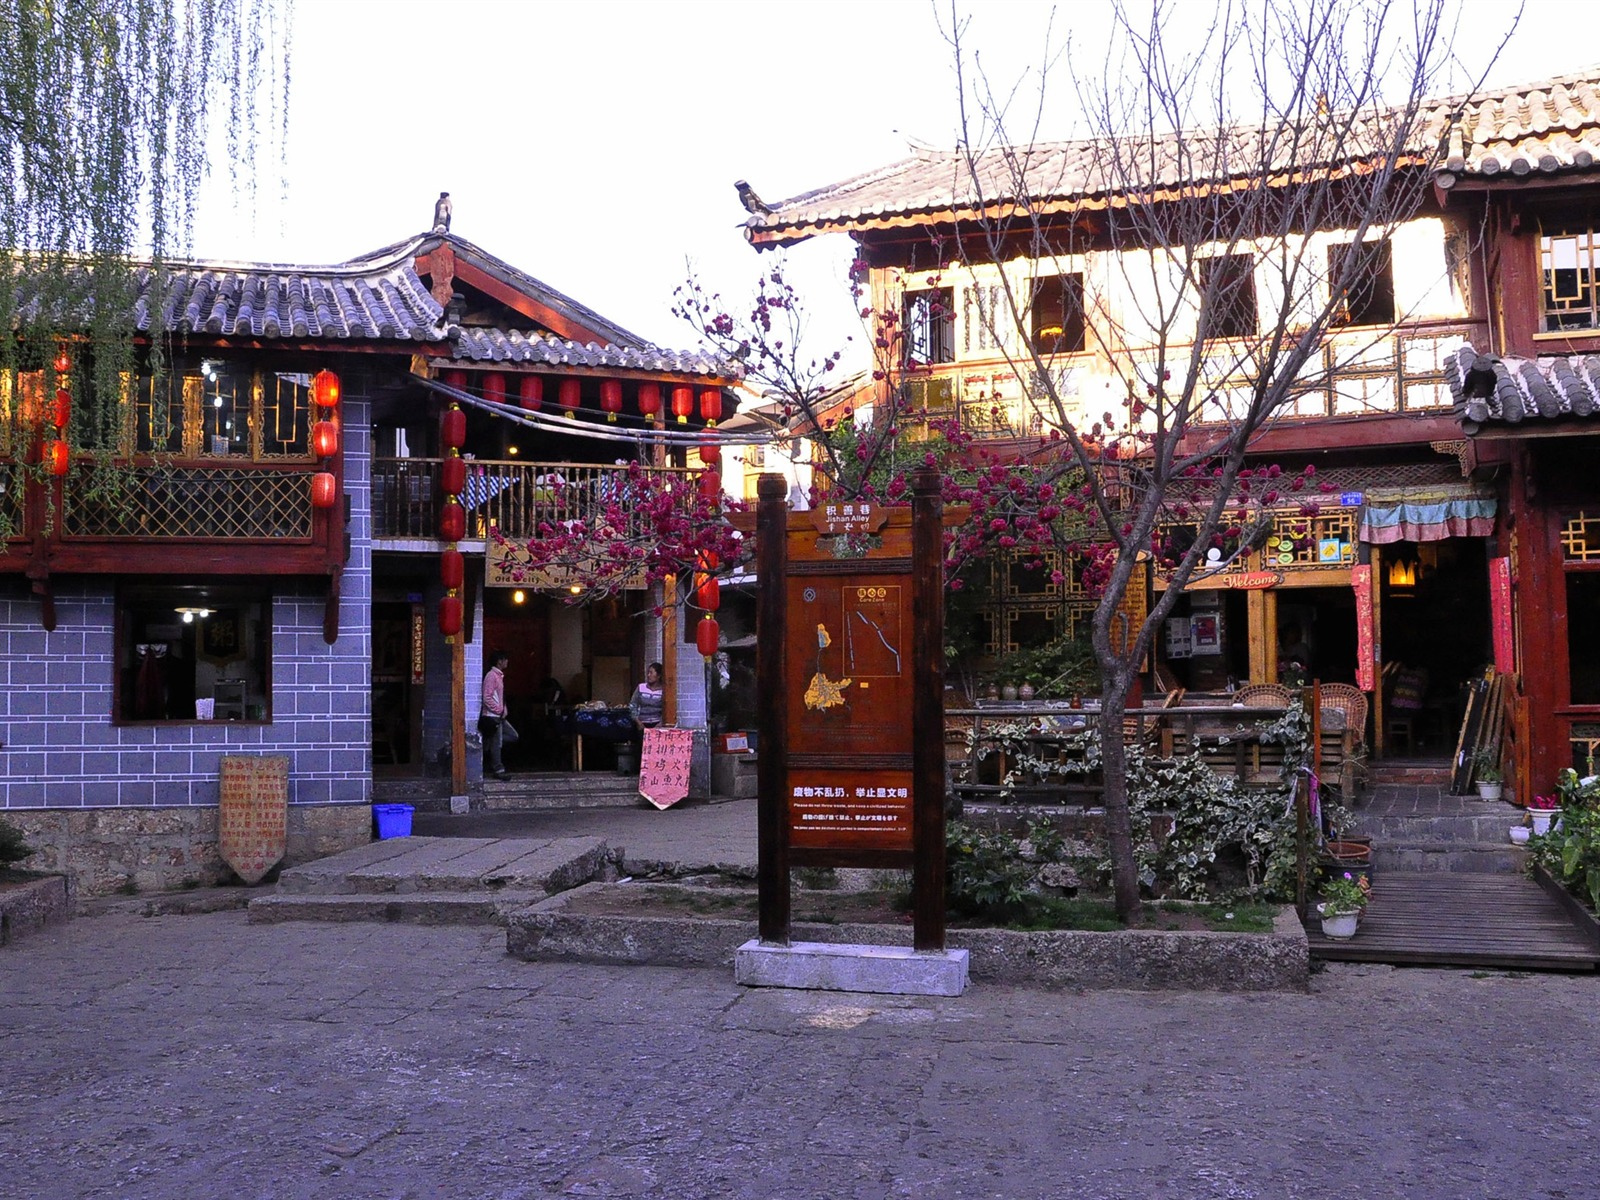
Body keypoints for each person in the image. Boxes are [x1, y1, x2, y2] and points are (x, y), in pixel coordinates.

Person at [480, 650, 512, 780]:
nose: (507, 662)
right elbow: (487, 697)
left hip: (499, 716)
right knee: (496, 743)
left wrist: (504, 709)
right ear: (499, 661)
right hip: (492, 716)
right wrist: (498, 709)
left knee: (512, 735)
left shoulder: (499, 676)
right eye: (505, 659)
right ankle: (498, 769)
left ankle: (488, 744)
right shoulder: (491, 676)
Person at [629, 661, 665, 733]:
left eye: (651, 673)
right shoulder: (641, 687)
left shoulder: (663, 691)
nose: (648, 675)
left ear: (658, 676)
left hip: (657, 724)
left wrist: (660, 723)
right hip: (642, 723)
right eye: (648, 673)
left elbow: (666, 709)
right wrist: (638, 721)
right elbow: (633, 705)